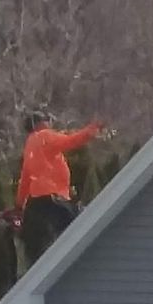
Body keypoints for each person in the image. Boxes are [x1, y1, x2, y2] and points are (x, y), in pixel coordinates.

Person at [16, 111, 103, 262]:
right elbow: (70, 141)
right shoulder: (44, 136)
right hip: (53, 199)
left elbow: (25, 180)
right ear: (37, 124)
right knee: (80, 226)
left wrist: (19, 204)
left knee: (42, 246)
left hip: (36, 202)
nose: (49, 123)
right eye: (46, 120)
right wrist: (91, 130)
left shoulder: (30, 146)